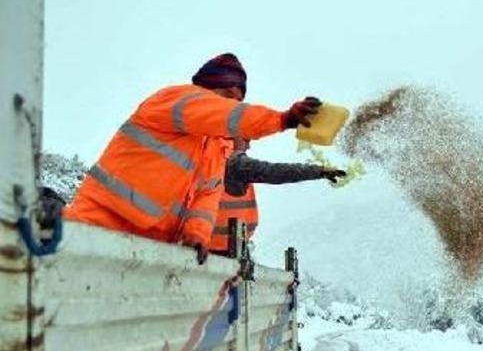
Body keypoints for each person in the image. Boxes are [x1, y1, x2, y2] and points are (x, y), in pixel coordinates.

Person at [64, 53, 320, 263]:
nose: (233, 103)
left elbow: (206, 197)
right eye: (229, 95)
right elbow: (229, 115)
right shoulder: (176, 100)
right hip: (96, 228)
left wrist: (196, 234)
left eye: (239, 98)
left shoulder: (215, 146)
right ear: (206, 87)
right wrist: (282, 120)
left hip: (147, 249)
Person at [210, 138, 346, 255]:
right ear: (231, 136)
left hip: (202, 245)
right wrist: (319, 171)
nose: (248, 146)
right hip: (224, 250)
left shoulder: (207, 157)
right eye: (246, 140)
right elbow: (275, 172)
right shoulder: (234, 163)